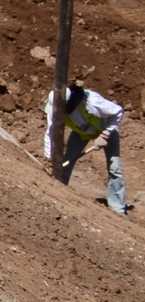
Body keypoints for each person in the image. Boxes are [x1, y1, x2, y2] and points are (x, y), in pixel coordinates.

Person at [46, 83, 126, 215]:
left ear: (69, 103)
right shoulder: (56, 107)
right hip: (81, 133)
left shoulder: (92, 103)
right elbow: (50, 132)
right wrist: (48, 156)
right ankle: (59, 191)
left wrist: (105, 135)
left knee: (114, 168)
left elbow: (118, 111)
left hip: (106, 131)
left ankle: (118, 208)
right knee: (66, 161)